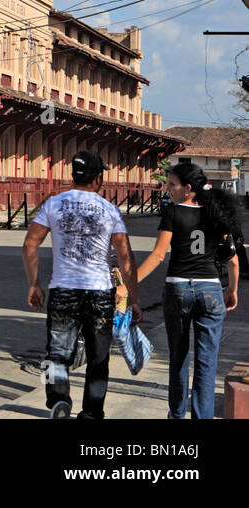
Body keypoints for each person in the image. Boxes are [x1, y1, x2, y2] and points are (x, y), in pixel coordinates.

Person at [22, 150, 141, 419]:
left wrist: (34, 283)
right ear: (98, 178)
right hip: (100, 292)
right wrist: (134, 298)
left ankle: (59, 401)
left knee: (57, 353)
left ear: (73, 175)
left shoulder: (53, 205)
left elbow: (30, 244)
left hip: (64, 290)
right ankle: (91, 412)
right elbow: (126, 257)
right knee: (98, 359)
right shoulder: (110, 210)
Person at [128, 162, 244, 418]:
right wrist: (232, 289)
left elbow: (158, 255)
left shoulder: (172, 212)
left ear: (187, 188)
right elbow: (233, 259)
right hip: (211, 289)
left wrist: (129, 284)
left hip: (177, 289)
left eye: (172, 184)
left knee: (178, 356)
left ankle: (177, 413)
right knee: (206, 361)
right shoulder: (217, 213)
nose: (167, 189)